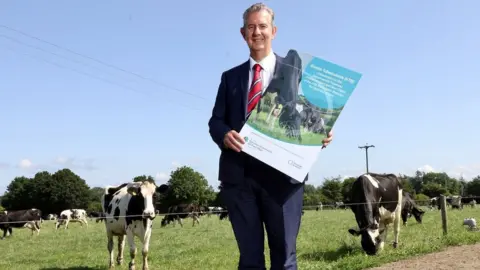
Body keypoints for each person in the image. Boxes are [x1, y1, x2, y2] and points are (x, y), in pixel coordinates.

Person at [208, 3, 334, 270]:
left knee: (285, 256)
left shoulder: (298, 72)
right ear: (243, 33)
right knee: (250, 260)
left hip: (283, 178)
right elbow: (215, 120)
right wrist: (224, 134)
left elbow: (312, 115)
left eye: (263, 26)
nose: (257, 32)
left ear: (273, 31)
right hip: (239, 179)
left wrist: (321, 132)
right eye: (251, 27)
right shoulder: (229, 78)